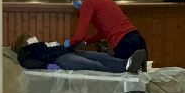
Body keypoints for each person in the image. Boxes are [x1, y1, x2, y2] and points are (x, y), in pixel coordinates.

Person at [63, 0, 148, 72]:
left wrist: (68, 43)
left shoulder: (87, 3)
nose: (72, 2)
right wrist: (86, 42)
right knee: (139, 77)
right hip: (137, 39)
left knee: (125, 74)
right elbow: (103, 32)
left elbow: (80, 35)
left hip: (124, 43)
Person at [12, 34, 143, 74]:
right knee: (94, 64)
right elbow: (26, 61)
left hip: (71, 51)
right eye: (29, 37)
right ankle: (124, 69)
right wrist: (46, 65)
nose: (33, 37)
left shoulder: (43, 44)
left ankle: (128, 63)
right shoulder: (26, 49)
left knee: (103, 57)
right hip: (60, 59)